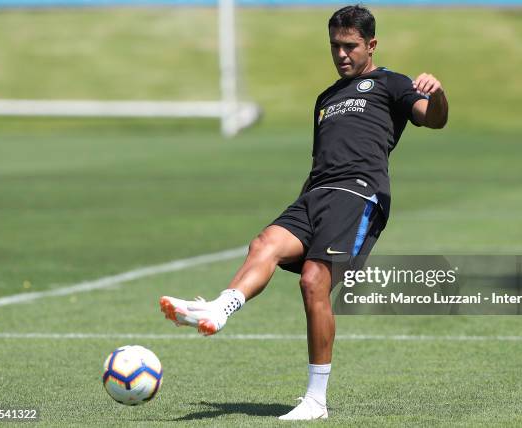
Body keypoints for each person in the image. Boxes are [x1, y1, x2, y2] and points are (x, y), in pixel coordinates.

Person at [160, 5, 448, 420]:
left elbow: (433, 120)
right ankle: (219, 308)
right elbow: (319, 160)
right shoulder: (326, 98)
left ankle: (315, 401)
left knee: (314, 281)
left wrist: (437, 93)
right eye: (335, 46)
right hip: (315, 194)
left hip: (358, 193)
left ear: (371, 45)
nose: (341, 54)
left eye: (350, 46)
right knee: (264, 243)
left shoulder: (391, 84)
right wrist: (301, 207)